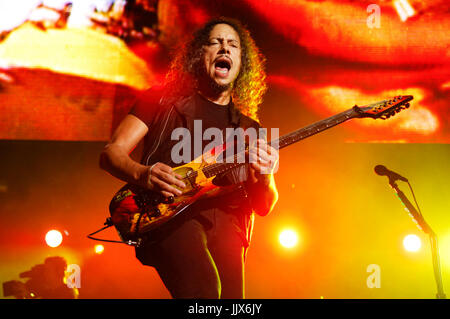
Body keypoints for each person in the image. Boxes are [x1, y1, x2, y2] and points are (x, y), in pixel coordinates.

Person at [99, 17, 278, 299]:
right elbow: (112, 153)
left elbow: (264, 205)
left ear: (242, 64)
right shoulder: (160, 100)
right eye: (215, 43)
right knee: (204, 292)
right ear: (199, 55)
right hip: (168, 212)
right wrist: (142, 173)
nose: (225, 49)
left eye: (233, 45)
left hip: (229, 223)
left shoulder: (249, 128)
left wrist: (266, 176)